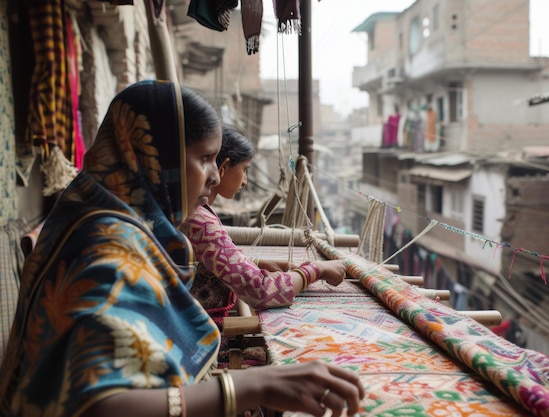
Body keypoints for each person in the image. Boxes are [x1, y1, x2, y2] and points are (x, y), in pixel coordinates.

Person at [0, 80, 364, 417]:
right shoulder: (108, 253)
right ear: (157, 159)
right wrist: (251, 386)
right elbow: (100, 406)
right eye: (205, 159)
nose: (216, 176)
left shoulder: (93, 214)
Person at [180, 123, 346, 327]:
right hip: (202, 341)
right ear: (222, 168)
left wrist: (254, 263)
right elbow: (261, 292)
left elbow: (207, 260)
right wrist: (316, 269)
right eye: (245, 170)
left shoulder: (193, 212)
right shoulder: (198, 220)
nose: (245, 181)